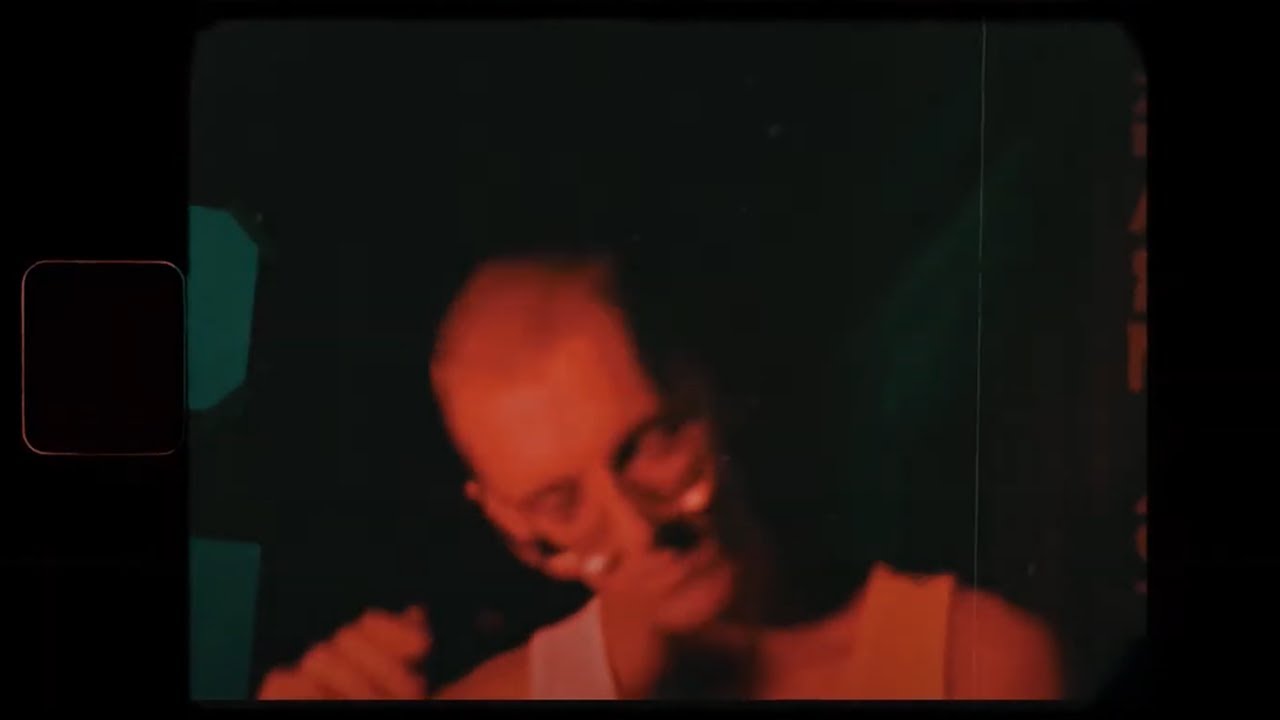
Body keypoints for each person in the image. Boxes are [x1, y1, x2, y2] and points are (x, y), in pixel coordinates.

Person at [258, 245, 1063, 700]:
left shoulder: (976, 665)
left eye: (649, 443)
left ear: (714, 390)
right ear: (503, 517)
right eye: (560, 501)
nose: (641, 531)